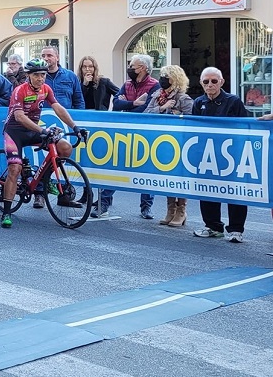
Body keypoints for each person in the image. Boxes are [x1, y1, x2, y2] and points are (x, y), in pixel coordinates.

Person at [0, 58, 87, 228]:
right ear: (29, 75)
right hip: (14, 132)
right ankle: (7, 212)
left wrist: (75, 127)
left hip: (33, 130)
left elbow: (58, 108)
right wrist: (42, 131)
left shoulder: (46, 89)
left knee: (64, 148)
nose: (41, 78)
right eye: (37, 75)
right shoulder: (20, 90)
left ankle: (43, 182)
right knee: (15, 169)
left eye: (43, 75)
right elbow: (19, 117)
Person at [96, 53, 160, 219]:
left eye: (133, 66)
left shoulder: (155, 85)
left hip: (146, 132)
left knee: (146, 168)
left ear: (143, 68)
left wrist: (128, 106)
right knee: (115, 166)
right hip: (123, 132)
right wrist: (133, 103)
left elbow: (147, 108)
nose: (130, 69)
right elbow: (116, 104)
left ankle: (146, 207)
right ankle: (104, 203)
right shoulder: (127, 84)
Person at [192, 67, 249, 242]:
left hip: (231, 154)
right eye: (206, 81)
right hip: (207, 155)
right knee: (207, 189)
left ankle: (236, 230)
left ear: (222, 82)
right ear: (201, 83)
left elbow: (245, 126)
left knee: (235, 191)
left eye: (214, 81)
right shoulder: (198, 102)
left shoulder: (234, 101)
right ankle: (213, 226)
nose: (210, 85)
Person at [145, 65, 194, 227]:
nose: (162, 79)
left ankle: (181, 210)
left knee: (179, 176)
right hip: (161, 141)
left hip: (179, 142)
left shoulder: (183, 98)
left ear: (175, 79)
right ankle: (170, 209)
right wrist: (162, 108)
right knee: (167, 176)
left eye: (167, 76)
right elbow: (146, 114)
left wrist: (176, 114)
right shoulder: (157, 95)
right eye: (162, 76)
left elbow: (190, 119)